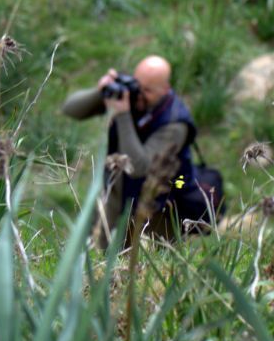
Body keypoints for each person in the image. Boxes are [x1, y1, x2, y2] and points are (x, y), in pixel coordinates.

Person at [62, 55, 220, 244]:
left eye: (148, 90)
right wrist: (102, 91)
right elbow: (70, 109)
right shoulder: (130, 95)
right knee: (97, 251)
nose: (140, 93)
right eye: (138, 85)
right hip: (118, 192)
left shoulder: (176, 124)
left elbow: (139, 167)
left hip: (160, 202)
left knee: (140, 263)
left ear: (166, 89)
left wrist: (123, 114)